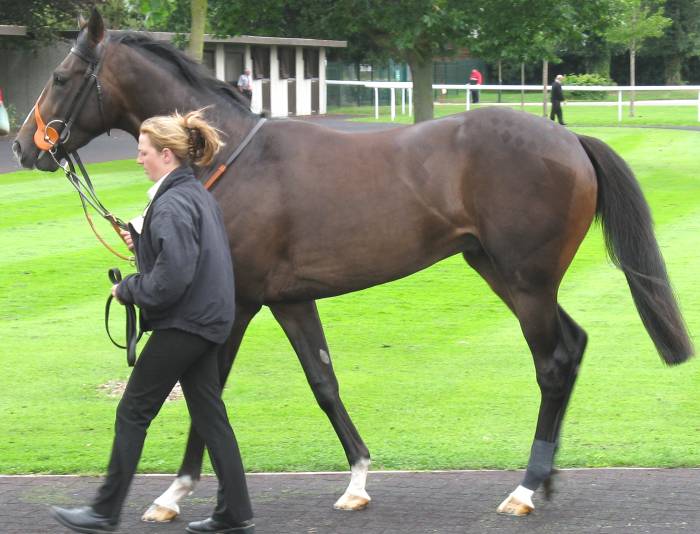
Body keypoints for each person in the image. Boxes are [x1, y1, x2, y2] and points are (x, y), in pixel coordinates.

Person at [50, 109, 255, 534]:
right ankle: (235, 513)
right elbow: (187, 254)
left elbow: (172, 278)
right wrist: (143, 242)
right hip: (209, 320)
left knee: (133, 411)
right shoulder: (194, 194)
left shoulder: (172, 203)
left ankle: (103, 512)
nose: (138, 159)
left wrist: (128, 289)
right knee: (210, 416)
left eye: (143, 152)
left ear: (166, 154)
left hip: (186, 323)